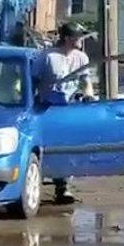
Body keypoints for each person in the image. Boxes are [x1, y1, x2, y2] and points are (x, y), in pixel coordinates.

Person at [35, 22, 95, 204]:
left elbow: (86, 80)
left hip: (70, 108)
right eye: (78, 37)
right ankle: (40, 181)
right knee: (49, 146)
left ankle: (63, 187)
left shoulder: (81, 58)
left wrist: (89, 95)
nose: (80, 40)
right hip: (48, 107)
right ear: (68, 38)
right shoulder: (47, 57)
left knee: (67, 145)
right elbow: (33, 79)